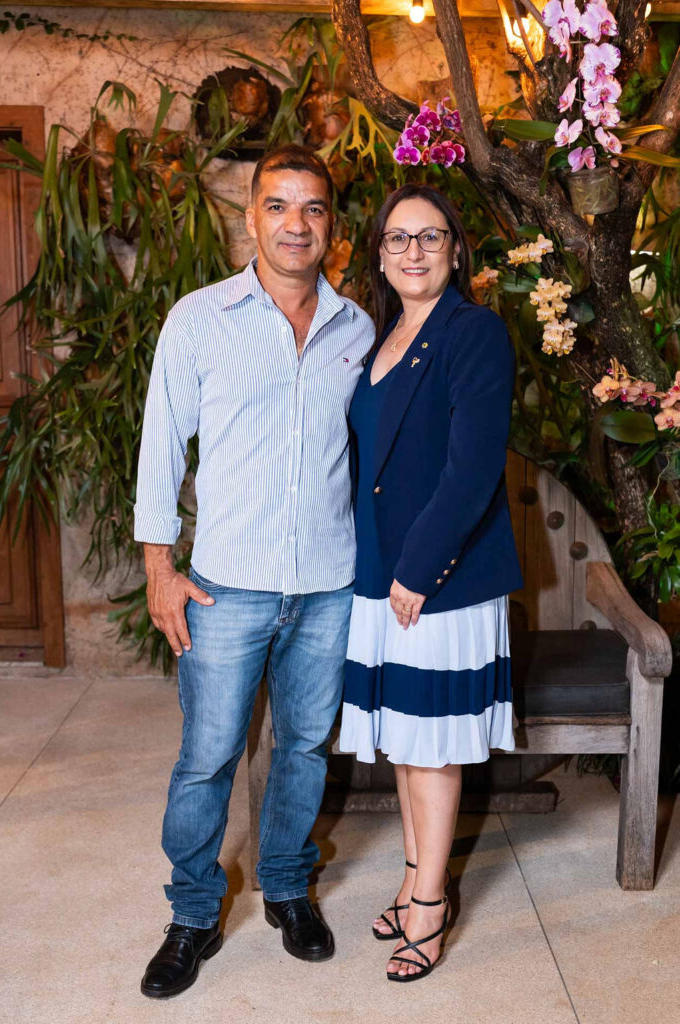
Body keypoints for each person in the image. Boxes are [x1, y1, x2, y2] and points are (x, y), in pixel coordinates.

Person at [134, 144, 374, 999]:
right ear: (250, 219)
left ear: (331, 225)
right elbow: (161, 445)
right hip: (224, 585)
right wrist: (159, 568)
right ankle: (194, 912)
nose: (294, 224)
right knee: (207, 757)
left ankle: (285, 887)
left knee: (303, 747)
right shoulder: (199, 319)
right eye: (278, 206)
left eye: (311, 208)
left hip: (329, 584)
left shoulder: (359, 329)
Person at [339, 183, 523, 983]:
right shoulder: (382, 338)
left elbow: (471, 469)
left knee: (433, 750)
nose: (412, 250)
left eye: (430, 236)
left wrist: (418, 570)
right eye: (397, 237)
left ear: (454, 249)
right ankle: (415, 876)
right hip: (378, 573)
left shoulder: (472, 332)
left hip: (437, 579)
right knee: (406, 744)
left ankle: (429, 905)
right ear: (380, 255)